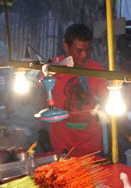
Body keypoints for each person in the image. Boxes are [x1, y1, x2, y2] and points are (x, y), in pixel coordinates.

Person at [46, 23, 108, 156]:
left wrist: (130, 135)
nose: (84, 55)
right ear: (66, 47)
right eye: (79, 50)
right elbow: (42, 95)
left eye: (88, 50)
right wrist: (41, 130)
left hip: (91, 146)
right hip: (62, 146)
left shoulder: (97, 71)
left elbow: (109, 103)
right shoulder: (54, 68)